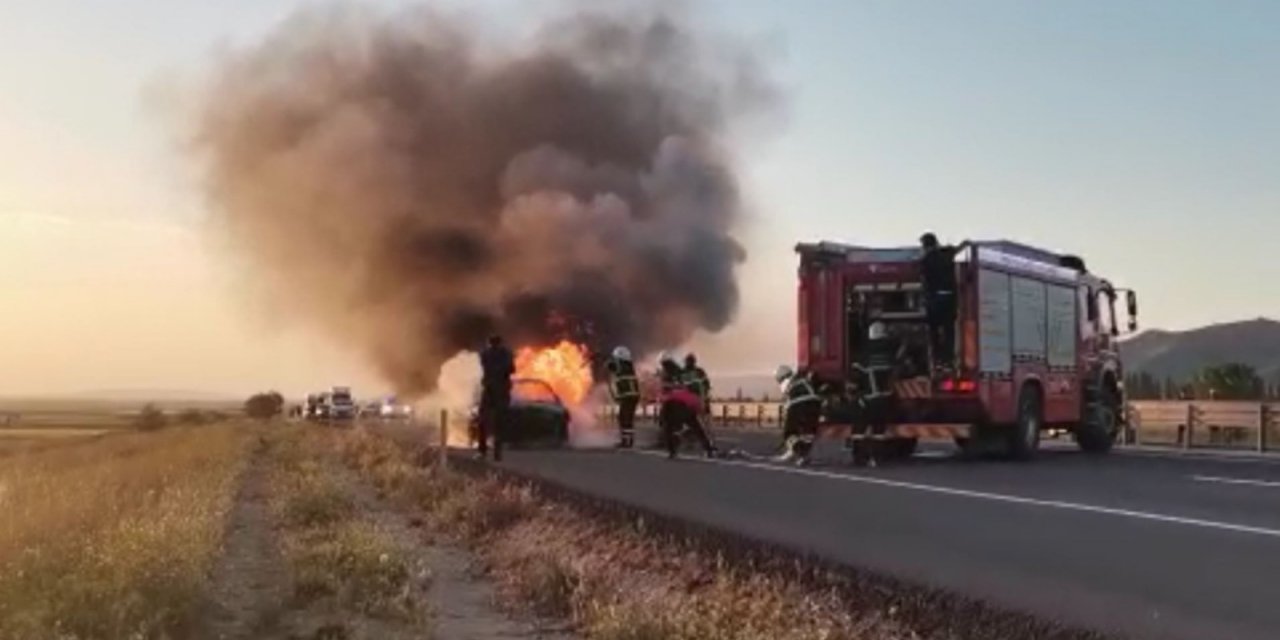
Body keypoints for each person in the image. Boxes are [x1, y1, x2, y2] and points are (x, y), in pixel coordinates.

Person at [850, 321, 903, 467]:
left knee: (859, 431)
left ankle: (860, 459)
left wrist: (853, 392)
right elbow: (898, 363)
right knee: (879, 431)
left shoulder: (864, 355)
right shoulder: (890, 352)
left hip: (868, 399)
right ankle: (877, 458)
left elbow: (856, 378)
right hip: (884, 399)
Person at [657, 352, 717, 459]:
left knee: (668, 425)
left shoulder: (672, 374)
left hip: (676, 403)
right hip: (689, 402)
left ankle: (673, 450)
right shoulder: (686, 372)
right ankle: (708, 449)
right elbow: (704, 386)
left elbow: (666, 390)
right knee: (696, 425)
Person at [919, 232, 959, 369]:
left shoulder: (925, 260)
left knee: (933, 331)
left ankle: (936, 359)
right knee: (949, 330)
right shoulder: (946, 255)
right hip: (949, 298)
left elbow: (924, 281)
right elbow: (955, 250)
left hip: (934, 300)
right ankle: (948, 358)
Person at [774, 365, 822, 465]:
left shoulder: (789, 383)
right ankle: (803, 455)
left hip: (798, 405)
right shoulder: (802, 380)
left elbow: (788, 402)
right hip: (815, 406)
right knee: (808, 433)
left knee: (789, 433)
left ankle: (798, 452)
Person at [477, 334, 515, 462]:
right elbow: (511, 369)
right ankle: (495, 453)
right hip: (498, 391)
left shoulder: (487, 354)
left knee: (486, 421)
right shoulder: (504, 354)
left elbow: (510, 369)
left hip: (493, 390)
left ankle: (485, 451)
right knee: (496, 422)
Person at [605, 346, 641, 448]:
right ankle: (627, 440)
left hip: (628, 397)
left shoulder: (623, 367)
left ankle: (627, 442)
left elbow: (612, 367)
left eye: (616, 358)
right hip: (630, 396)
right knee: (625, 418)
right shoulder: (628, 366)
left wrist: (604, 360)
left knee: (625, 418)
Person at [682, 352, 712, 417]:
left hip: (697, 394)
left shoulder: (699, 371)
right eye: (688, 361)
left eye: (690, 361)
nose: (688, 363)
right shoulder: (683, 371)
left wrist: (706, 391)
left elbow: (706, 383)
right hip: (687, 394)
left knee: (705, 402)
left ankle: (706, 415)